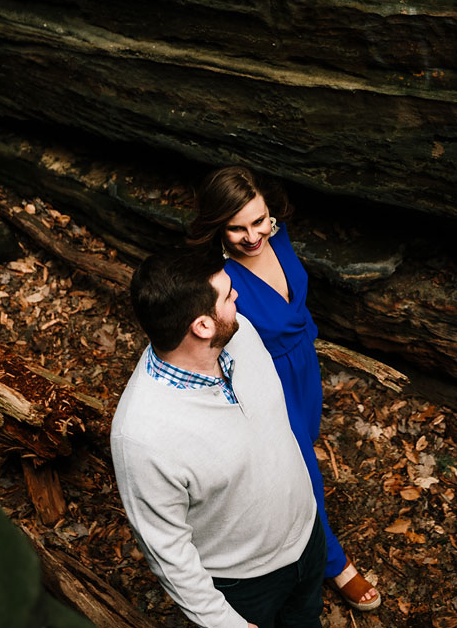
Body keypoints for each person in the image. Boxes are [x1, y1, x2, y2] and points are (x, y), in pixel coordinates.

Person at [189, 166, 381, 612]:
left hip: (303, 366)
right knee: (304, 468)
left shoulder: (280, 237)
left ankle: (283, 513)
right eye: (237, 228)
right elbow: (212, 343)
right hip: (265, 380)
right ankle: (336, 564)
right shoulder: (218, 280)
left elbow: (297, 303)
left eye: (259, 221)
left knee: (302, 450)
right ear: (219, 226)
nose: (253, 236)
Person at [111, 246, 326, 628]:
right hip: (244, 584)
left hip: (308, 539)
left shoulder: (239, 335)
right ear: (202, 326)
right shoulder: (143, 438)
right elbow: (167, 551)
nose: (238, 298)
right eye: (228, 295)